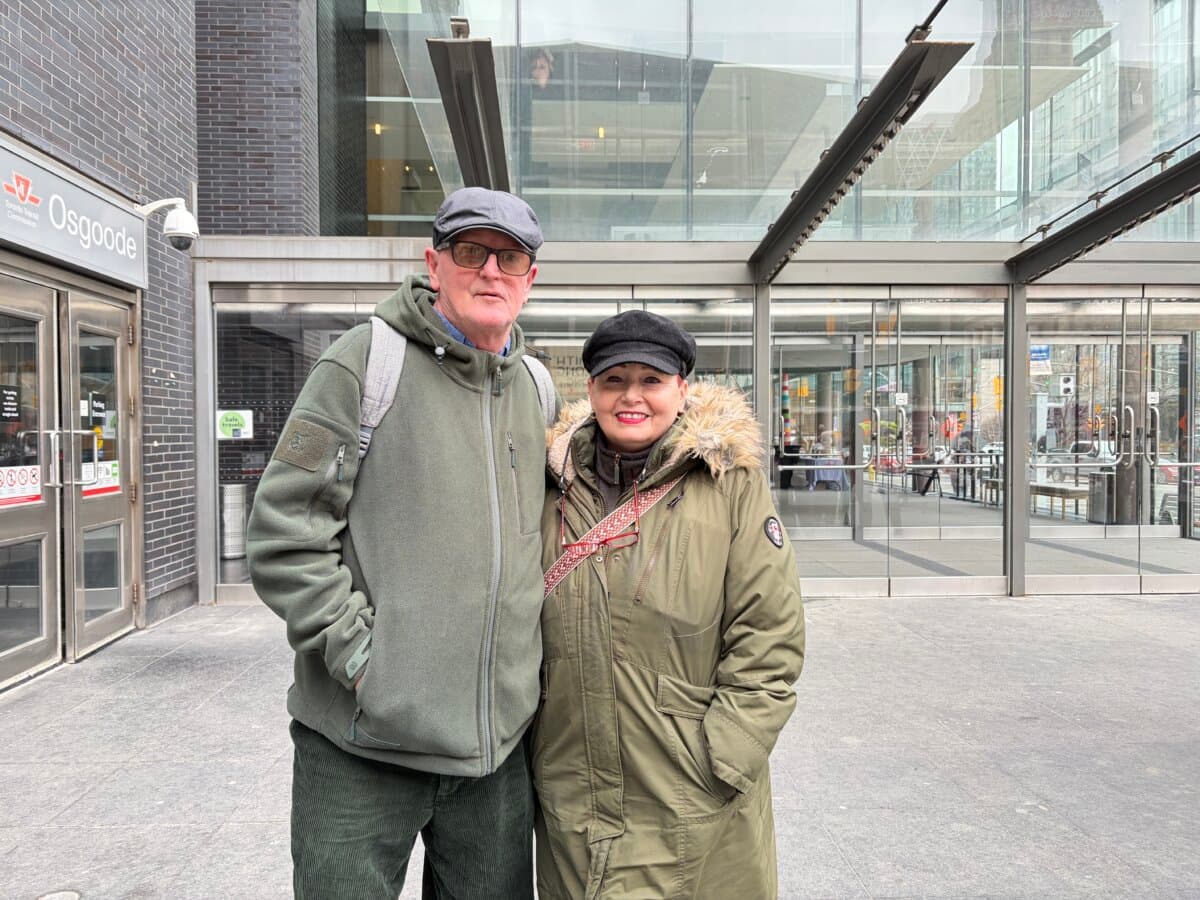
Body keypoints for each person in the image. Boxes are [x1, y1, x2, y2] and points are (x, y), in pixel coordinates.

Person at [246, 186, 548, 899]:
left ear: (531, 280)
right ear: (433, 263)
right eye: (472, 252)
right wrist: (362, 660)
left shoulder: (536, 389)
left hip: (492, 760)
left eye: (511, 258)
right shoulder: (363, 363)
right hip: (362, 747)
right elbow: (284, 533)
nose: (491, 271)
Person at [533, 311, 805, 899]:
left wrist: (726, 756)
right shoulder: (552, 483)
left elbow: (769, 629)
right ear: (592, 391)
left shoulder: (728, 482)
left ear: (681, 389)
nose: (631, 396)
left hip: (689, 786)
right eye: (614, 380)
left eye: (651, 379)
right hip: (570, 779)